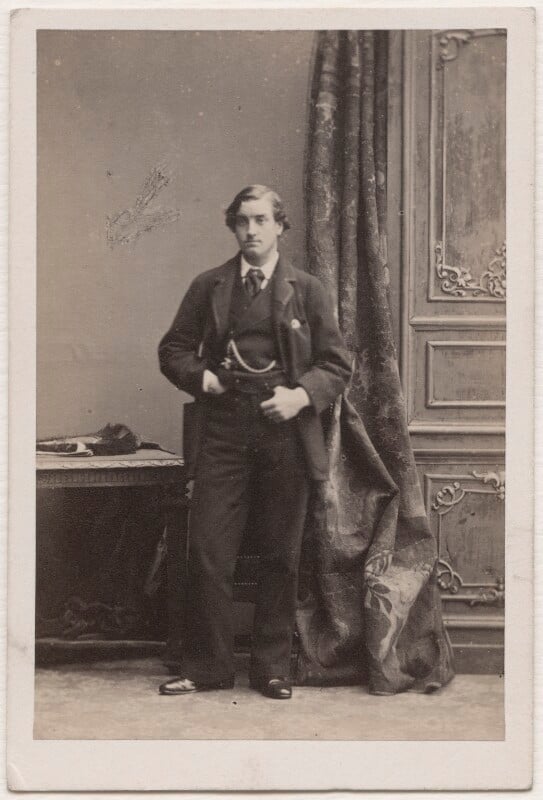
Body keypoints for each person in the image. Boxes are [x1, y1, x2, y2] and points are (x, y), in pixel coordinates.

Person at [157, 185, 351, 699]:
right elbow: (173, 349)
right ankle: (209, 668)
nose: (251, 230)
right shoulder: (210, 285)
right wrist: (203, 378)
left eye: (262, 220)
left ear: (280, 226)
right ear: (233, 226)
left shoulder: (308, 289)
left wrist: (300, 396)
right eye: (242, 221)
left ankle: (271, 669)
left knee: (280, 555)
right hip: (222, 432)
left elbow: (337, 365)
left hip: (284, 434)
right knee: (208, 551)